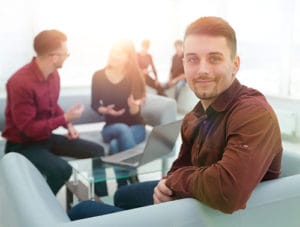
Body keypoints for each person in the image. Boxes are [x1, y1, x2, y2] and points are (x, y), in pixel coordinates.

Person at [68, 16, 283, 219]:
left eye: (214, 58)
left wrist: (174, 181)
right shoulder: (194, 115)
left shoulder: (253, 113)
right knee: (124, 195)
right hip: (192, 200)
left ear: (235, 64)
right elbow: (180, 166)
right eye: (192, 59)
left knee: (83, 210)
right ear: (184, 63)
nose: (202, 70)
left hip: (211, 216)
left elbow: (227, 191)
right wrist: (166, 184)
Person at [2, 29, 108, 196]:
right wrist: (64, 117)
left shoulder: (53, 75)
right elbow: (28, 129)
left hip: (44, 138)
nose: (67, 56)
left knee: (97, 151)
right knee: (62, 170)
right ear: (54, 57)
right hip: (22, 145)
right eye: (66, 53)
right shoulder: (19, 83)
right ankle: (40, 207)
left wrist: (68, 124)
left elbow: (51, 106)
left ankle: (101, 202)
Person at [91, 39, 147, 188]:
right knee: (121, 128)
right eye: (112, 51)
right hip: (111, 127)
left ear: (128, 57)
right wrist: (105, 110)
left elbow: (136, 113)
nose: (112, 55)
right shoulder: (98, 76)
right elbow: (94, 104)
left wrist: (134, 107)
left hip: (137, 127)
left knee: (116, 145)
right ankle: (134, 179)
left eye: (118, 53)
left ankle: (122, 187)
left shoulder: (135, 76)